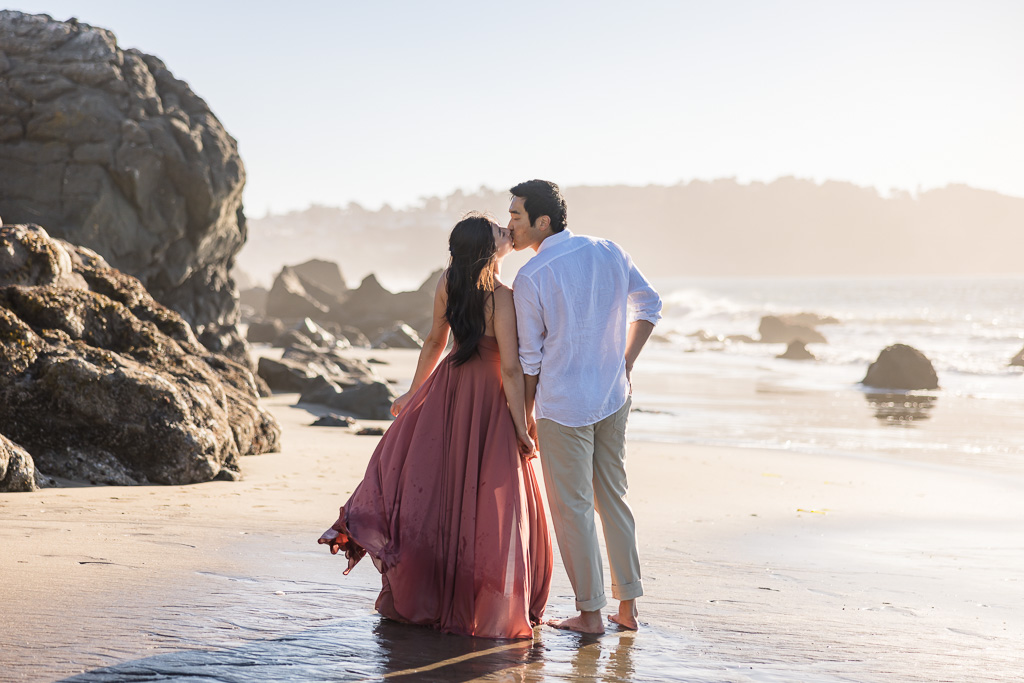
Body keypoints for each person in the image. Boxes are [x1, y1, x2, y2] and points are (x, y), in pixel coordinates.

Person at [318, 214, 552, 639]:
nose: (508, 233)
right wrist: (522, 422)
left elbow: (434, 341)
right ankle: (480, 599)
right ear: (489, 250)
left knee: (440, 491)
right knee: (491, 496)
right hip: (488, 396)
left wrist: (414, 393)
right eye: (501, 233)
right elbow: (514, 369)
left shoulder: (449, 282)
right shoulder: (502, 296)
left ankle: (434, 590)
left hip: (448, 388)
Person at [508, 179, 662, 634]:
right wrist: (626, 363)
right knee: (612, 498)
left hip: (564, 405)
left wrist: (526, 414)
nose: (509, 225)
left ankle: (591, 614)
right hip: (613, 395)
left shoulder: (531, 276)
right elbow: (649, 305)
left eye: (516, 216)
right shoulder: (609, 249)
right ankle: (628, 610)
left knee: (572, 507)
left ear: (543, 221)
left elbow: (530, 357)